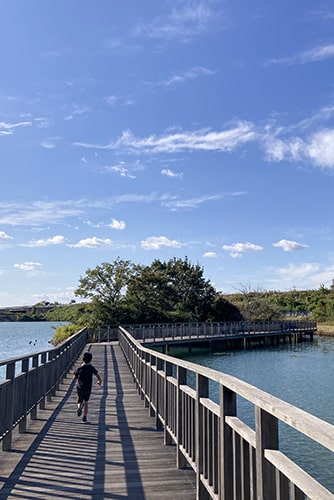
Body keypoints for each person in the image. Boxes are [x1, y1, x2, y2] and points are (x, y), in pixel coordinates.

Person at [74, 351, 102, 422]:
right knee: (86, 402)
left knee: (79, 400)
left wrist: (77, 377)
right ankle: (84, 417)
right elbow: (97, 375)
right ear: (91, 359)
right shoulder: (91, 368)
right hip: (88, 388)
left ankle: (79, 406)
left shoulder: (80, 368)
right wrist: (99, 381)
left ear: (83, 359)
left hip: (80, 387)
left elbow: (75, 376)